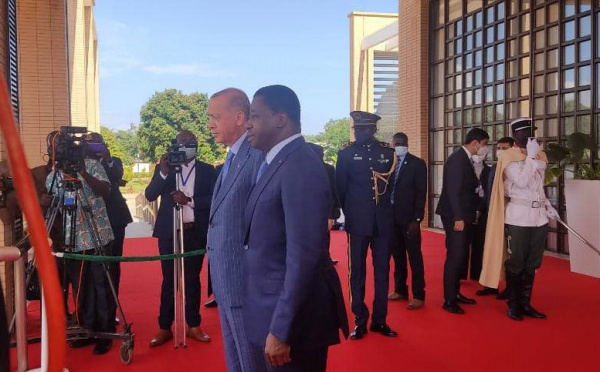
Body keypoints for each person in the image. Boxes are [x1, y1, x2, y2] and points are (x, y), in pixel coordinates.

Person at [243, 85, 348, 372]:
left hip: (293, 325)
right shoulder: (276, 162)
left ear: (281, 119)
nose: (248, 124)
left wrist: (281, 330)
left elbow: (304, 256)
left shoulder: (300, 165)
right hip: (270, 311)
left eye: (254, 115)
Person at [206, 87, 265, 372]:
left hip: (243, 282)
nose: (210, 124)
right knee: (236, 361)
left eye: (216, 117)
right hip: (226, 280)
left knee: (251, 361)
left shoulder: (255, 158)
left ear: (240, 117)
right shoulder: (231, 158)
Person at [480, 119, 557, 321]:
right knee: (516, 262)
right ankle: (513, 304)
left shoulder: (538, 155)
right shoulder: (507, 156)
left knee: (532, 263)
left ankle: (525, 303)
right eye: (527, 133)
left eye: (533, 132)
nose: (532, 137)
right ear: (516, 135)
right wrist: (531, 157)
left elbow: (537, 185)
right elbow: (521, 181)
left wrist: (547, 204)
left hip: (538, 217)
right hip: (519, 217)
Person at [45, 132, 115, 355]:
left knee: (100, 284)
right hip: (72, 238)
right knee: (80, 287)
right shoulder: (53, 177)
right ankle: (87, 329)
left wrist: (82, 171)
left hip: (98, 235)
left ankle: (106, 332)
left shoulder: (93, 165)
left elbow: (105, 191)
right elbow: (55, 204)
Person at [145, 130, 216, 347]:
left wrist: (190, 200)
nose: (186, 145)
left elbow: (214, 199)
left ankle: (193, 325)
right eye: (182, 142)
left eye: (191, 142)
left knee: (192, 280)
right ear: (174, 145)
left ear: (196, 145)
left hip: (194, 232)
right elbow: (149, 195)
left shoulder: (207, 170)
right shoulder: (165, 168)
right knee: (169, 280)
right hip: (169, 233)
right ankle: (164, 326)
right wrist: (164, 172)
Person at [336, 111, 398, 339]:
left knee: (382, 272)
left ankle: (380, 320)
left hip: (382, 222)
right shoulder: (345, 154)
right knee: (357, 273)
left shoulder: (387, 153)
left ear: (373, 130)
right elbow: (340, 190)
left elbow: (391, 189)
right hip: (358, 221)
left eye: (363, 129)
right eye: (356, 129)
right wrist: (352, 212)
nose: (358, 133)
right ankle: (359, 319)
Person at [435, 128, 489, 315]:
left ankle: (455, 293)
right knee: (455, 257)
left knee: (460, 256)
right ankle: (448, 300)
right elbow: (453, 191)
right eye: (484, 145)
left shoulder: (465, 159)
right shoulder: (458, 159)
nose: (485, 149)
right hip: (454, 216)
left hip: (463, 215)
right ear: (475, 143)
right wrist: (458, 217)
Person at [85, 133, 133, 322]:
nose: (94, 147)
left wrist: (107, 158)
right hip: (88, 220)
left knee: (111, 267)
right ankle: (91, 313)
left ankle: (110, 313)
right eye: (90, 143)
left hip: (114, 219)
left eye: (98, 143)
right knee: (90, 270)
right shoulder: (81, 164)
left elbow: (116, 176)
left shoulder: (114, 161)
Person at [387, 132, 427, 310]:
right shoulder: (389, 163)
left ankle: (419, 294)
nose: (398, 146)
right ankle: (400, 289)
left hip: (410, 219)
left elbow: (421, 194)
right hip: (392, 218)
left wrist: (417, 219)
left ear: (407, 143)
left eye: (401, 143)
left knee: (414, 257)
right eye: (396, 144)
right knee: (398, 256)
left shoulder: (418, 164)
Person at [476, 136, 515, 298]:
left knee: (507, 252)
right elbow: (486, 192)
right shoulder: (492, 168)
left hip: (508, 216)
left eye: (504, 149)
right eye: (498, 148)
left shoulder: (515, 169)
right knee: (490, 250)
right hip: (490, 214)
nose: (500, 151)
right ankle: (491, 284)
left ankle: (510, 287)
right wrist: (481, 210)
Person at [460, 142, 492, 282]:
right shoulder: (464, 167)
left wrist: (480, 209)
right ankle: (460, 273)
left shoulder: (489, 170)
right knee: (463, 243)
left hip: (483, 209)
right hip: (466, 210)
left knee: (479, 244)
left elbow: (490, 192)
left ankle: (477, 273)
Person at [307, 142, 341, 264]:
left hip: (324, 210)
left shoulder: (329, 169)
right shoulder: (303, 169)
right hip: (307, 211)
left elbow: (333, 191)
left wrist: (331, 215)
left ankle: (325, 259)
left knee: (325, 236)